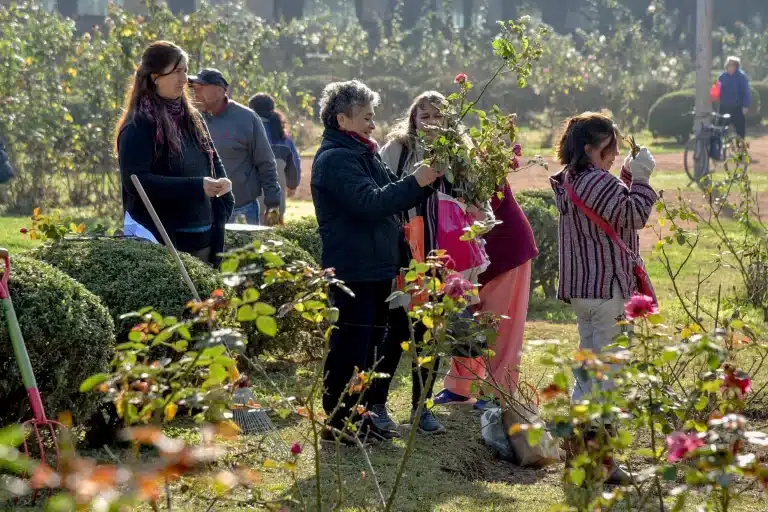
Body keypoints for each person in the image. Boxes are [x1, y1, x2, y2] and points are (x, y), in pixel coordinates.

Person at [311, 80, 443, 443]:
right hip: (354, 267)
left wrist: (426, 180)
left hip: (374, 265)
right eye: (366, 117)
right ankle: (340, 421)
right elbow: (371, 203)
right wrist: (415, 182)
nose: (373, 124)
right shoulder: (336, 159)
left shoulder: (361, 152)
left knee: (368, 346)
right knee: (351, 347)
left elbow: (392, 192)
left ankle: (360, 416)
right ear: (342, 119)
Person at [376, 91, 492, 434]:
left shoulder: (460, 157)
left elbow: (480, 206)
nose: (427, 120)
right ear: (412, 117)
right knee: (397, 329)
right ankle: (377, 406)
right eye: (421, 114)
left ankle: (421, 409)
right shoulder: (397, 149)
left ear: (449, 120)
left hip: (445, 259)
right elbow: (381, 195)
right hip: (405, 254)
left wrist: (475, 213)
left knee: (432, 334)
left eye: (436, 115)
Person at [549, 112, 656, 483]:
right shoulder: (594, 180)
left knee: (588, 376)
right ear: (591, 148)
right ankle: (601, 463)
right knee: (607, 378)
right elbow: (632, 215)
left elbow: (609, 207)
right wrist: (641, 178)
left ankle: (580, 457)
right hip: (607, 290)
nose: (612, 154)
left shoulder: (570, 178)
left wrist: (626, 176)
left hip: (584, 291)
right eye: (609, 147)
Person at [116, 41, 234, 265]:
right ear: (155, 77)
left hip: (205, 238)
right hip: (164, 242)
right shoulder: (139, 125)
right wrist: (197, 186)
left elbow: (213, 158)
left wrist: (223, 182)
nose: (184, 79)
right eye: (177, 71)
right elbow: (137, 182)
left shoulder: (193, 118)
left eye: (186, 71)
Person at [435, 178, 538, 410]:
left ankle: (497, 392)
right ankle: (460, 387)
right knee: (466, 319)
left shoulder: (478, 158)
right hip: (466, 252)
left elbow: (488, 206)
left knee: (500, 323)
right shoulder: (437, 159)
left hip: (505, 249)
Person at [189, 69, 281, 225]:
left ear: (219, 90)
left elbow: (265, 162)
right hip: (202, 211)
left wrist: (272, 202)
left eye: (200, 87)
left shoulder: (247, 118)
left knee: (245, 250)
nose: (195, 93)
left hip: (242, 210)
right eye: (193, 88)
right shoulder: (192, 119)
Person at [249, 93, 301, 224]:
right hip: (276, 201)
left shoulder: (246, 131)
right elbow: (294, 162)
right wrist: (292, 185)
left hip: (249, 200)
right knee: (273, 238)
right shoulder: (283, 137)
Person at [717, 56, 751, 139]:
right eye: (729, 65)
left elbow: (746, 92)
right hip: (724, 107)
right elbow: (718, 90)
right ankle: (717, 150)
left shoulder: (741, 76)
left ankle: (742, 150)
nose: (731, 67)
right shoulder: (722, 76)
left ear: (736, 66)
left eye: (733, 65)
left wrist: (746, 105)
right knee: (718, 130)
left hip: (737, 107)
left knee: (740, 131)